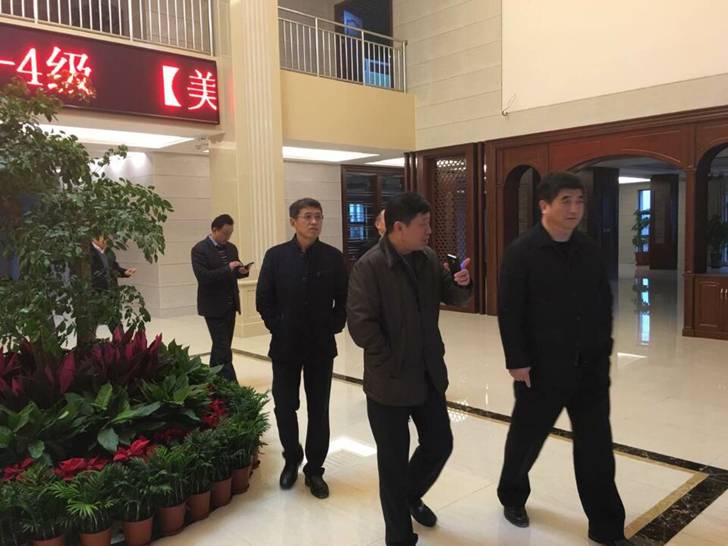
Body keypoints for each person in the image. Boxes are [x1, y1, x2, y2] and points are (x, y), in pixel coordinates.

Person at [496, 172, 632, 546]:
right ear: (544, 205)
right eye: (566, 201)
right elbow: (510, 310)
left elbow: (603, 303)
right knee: (527, 438)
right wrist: (517, 361)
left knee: (596, 448)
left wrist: (603, 350)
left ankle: (606, 527)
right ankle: (512, 495)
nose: (575, 209)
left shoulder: (588, 249)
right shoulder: (522, 252)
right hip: (541, 369)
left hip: (589, 368)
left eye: (579, 201)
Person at [347, 192, 472, 546]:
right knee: (393, 463)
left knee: (439, 443)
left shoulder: (427, 258)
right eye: (423, 225)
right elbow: (361, 326)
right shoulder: (370, 267)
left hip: (427, 374)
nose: (429, 231)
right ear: (399, 228)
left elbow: (453, 296)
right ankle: (399, 536)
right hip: (388, 383)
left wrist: (461, 282)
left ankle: (409, 495)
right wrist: (392, 359)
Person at [256, 198, 348, 499]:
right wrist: (278, 325)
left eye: (318, 217)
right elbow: (264, 298)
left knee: (319, 409)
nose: (314, 222)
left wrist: (333, 324)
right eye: (307, 217)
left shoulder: (333, 257)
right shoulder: (276, 256)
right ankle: (292, 459)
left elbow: (344, 299)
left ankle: (315, 470)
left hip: (321, 346)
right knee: (285, 406)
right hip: (285, 345)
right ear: (293, 221)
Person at [191, 214, 250, 383]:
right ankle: (231, 385)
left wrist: (242, 272)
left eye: (230, 233)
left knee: (221, 345)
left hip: (231, 304)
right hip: (212, 306)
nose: (227, 237)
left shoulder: (231, 248)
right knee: (222, 346)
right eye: (225, 233)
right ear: (214, 230)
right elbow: (203, 277)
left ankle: (212, 379)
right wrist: (227, 268)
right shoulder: (200, 249)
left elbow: (234, 273)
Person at [90, 235, 136, 332]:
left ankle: (121, 340)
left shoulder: (109, 252)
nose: (106, 241)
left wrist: (124, 272)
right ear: (94, 238)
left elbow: (114, 268)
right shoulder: (87, 253)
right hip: (95, 294)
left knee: (115, 322)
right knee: (91, 325)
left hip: (111, 293)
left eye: (107, 238)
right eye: (103, 238)